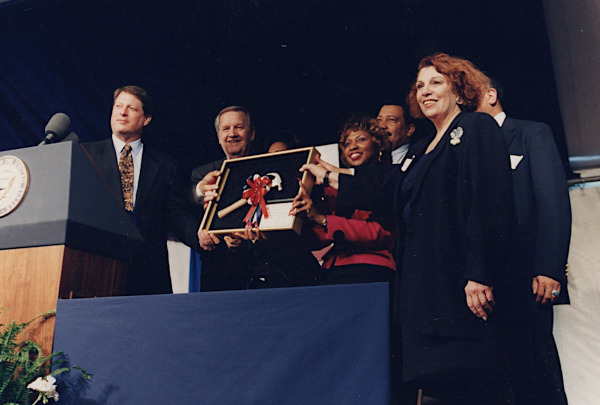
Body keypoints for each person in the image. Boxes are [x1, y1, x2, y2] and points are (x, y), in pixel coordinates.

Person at [302, 53, 534, 404]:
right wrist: (328, 175)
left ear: (459, 89)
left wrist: (480, 274)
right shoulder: (423, 149)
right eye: (420, 85)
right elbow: (387, 192)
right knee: (437, 389)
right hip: (426, 298)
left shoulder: (475, 127)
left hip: (462, 289)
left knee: (476, 387)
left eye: (436, 83)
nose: (425, 91)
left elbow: (491, 204)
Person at [478, 77, 571, 405]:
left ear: (491, 95)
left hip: (530, 279)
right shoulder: (468, 148)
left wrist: (549, 269)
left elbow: (553, 204)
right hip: (486, 284)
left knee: (538, 375)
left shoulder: (531, 133)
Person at [83, 85, 200, 295]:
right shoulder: (85, 155)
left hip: (148, 275)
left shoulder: (165, 166)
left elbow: (177, 216)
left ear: (146, 119)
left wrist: (199, 235)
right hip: (97, 269)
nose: (122, 112)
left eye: (131, 108)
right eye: (118, 106)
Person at [191, 106, 319, 291]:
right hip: (226, 278)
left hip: (277, 272)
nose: (232, 134)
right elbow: (188, 207)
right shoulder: (203, 175)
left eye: (239, 127)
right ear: (218, 136)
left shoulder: (272, 165)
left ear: (251, 134)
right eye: (226, 129)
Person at [291, 115, 395, 285]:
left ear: (377, 144)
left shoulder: (387, 181)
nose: (353, 146)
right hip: (332, 268)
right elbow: (316, 239)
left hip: (371, 268)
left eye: (361, 139)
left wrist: (323, 219)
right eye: (347, 143)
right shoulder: (331, 188)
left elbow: (378, 233)